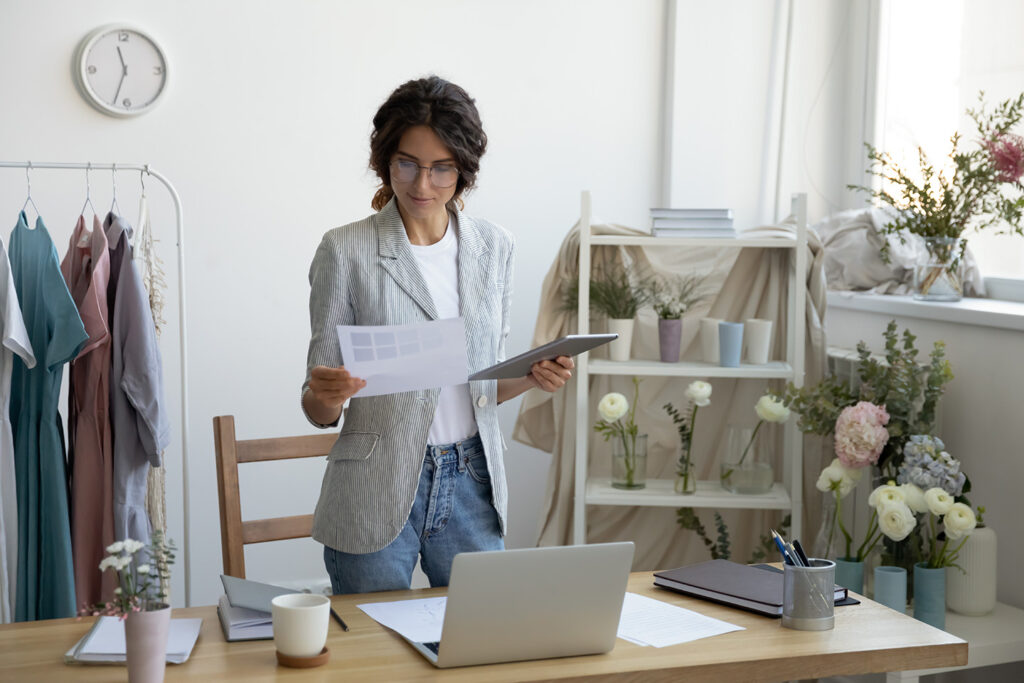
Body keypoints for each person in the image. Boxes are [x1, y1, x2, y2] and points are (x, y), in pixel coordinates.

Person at [302, 76, 573, 594]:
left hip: (473, 479)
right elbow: (319, 409)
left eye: (441, 168)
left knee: (481, 648)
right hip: (374, 485)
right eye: (407, 163)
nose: (422, 185)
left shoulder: (495, 247)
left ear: (463, 171)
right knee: (375, 659)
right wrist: (324, 395)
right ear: (385, 161)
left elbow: (479, 386)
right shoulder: (345, 251)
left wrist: (533, 377)